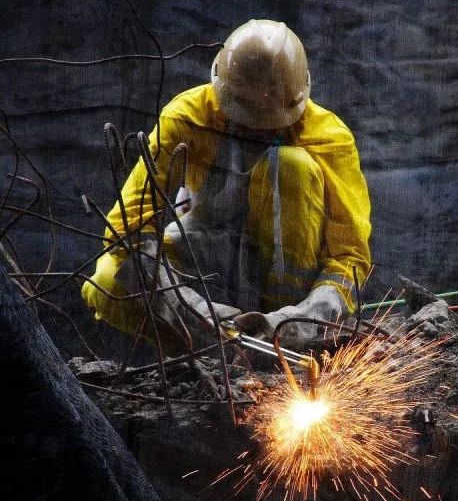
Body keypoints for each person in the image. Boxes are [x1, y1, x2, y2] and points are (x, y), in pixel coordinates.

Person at [81, 19, 371, 351]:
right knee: (105, 282)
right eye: (243, 120)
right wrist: (194, 314)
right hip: (208, 257)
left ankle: (281, 348)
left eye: (270, 123)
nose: (255, 131)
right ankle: (219, 353)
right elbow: (128, 228)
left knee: (291, 166)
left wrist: (300, 322)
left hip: (291, 295)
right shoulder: (188, 116)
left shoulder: (329, 138)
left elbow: (349, 257)